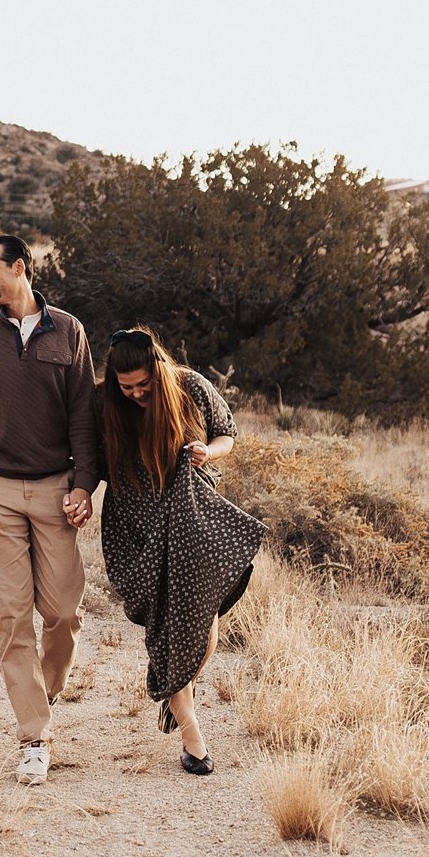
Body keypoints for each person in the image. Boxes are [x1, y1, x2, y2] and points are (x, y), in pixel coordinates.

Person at [0, 234, 98, 788]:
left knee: (62, 612)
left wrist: (84, 484)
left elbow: (84, 416)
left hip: (56, 489)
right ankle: (34, 736)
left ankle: (44, 692)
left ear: (20, 268)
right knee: (11, 617)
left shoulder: (70, 331)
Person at [99, 326, 264, 778]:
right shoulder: (107, 402)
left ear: (159, 371)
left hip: (194, 518)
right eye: (125, 386)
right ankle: (194, 740)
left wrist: (207, 452)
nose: (133, 394)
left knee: (203, 629)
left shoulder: (191, 386)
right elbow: (88, 460)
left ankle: (176, 687)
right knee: (168, 627)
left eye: (142, 386)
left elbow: (227, 434)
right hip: (137, 527)